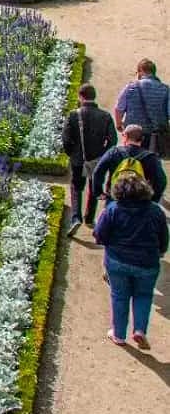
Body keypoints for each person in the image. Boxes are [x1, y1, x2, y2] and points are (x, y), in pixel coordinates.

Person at [94, 171, 168, 348]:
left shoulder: (113, 209)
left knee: (119, 296)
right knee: (143, 295)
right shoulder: (155, 211)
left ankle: (118, 334)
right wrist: (161, 251)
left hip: (117, 261)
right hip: (147, 263)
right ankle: (140, 330)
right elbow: (164, 237)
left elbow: (99, 235)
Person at [62, 84, 118, 235]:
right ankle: (89, 217)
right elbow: (113, 140)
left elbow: (66, 139)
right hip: (97, 159)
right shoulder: (105, 116)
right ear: (94, 96)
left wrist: (72, 153)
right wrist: (103, 155)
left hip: (78, 158)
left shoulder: (73, 115)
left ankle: (76, 217)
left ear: (80, 96)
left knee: (76, 187)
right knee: (94, 186)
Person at [93, 125, 166, 210]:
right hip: (141, 201)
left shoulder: (113, 152)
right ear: (142, 139)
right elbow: (161, 180)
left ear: (125, 136)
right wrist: (153, 199)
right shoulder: (150, 157)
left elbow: (97, 172)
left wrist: (98, 192)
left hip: (116, 199)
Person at [114, 58, 170, 157]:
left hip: (133, 133)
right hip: (156, 135)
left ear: (140, 71)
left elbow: (119, 108)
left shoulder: (130, 87)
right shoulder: (165, 90)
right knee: (152, 160)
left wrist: (119, 124)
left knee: (132, 159)